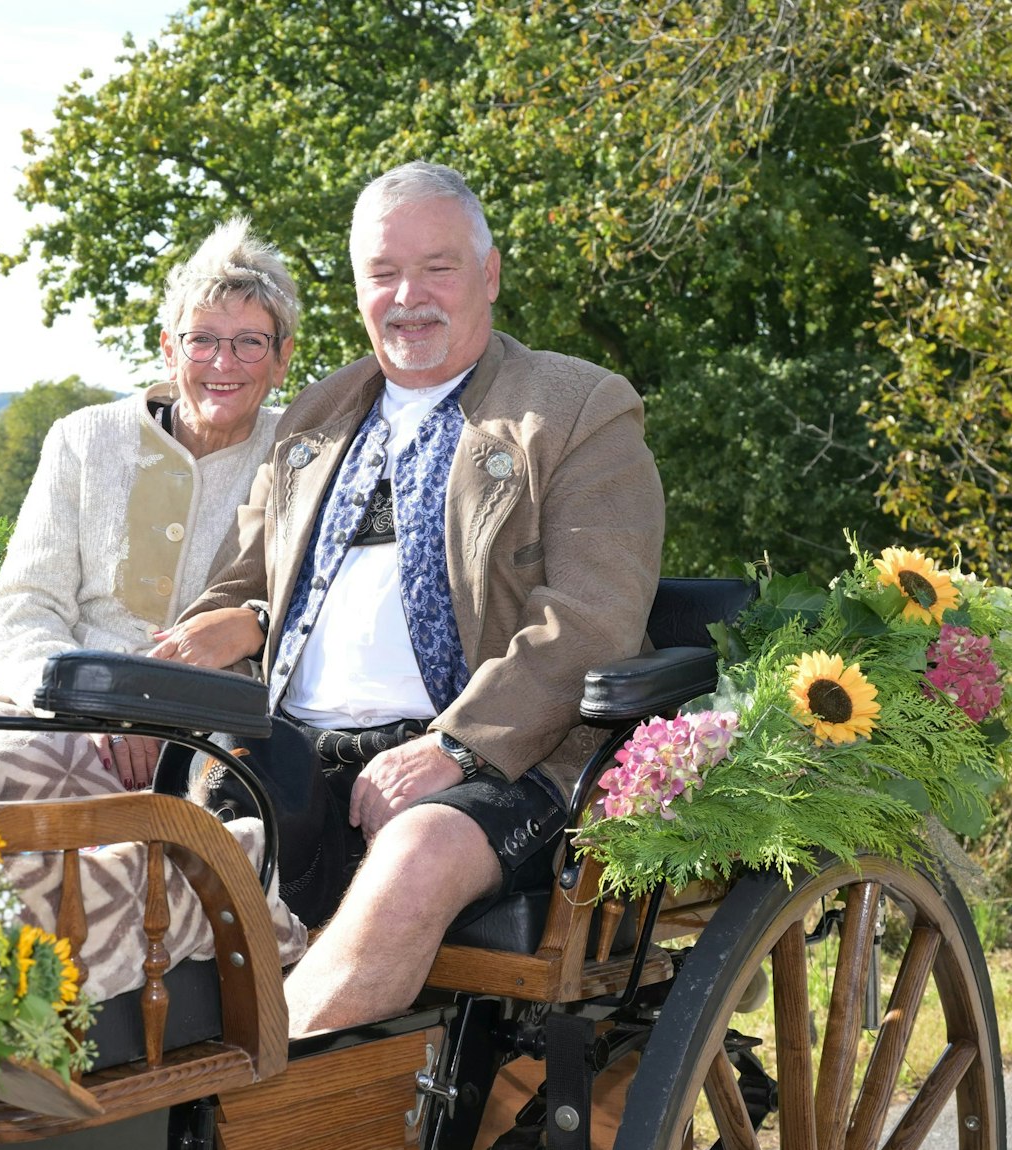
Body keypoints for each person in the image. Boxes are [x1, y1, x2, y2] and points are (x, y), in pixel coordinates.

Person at [165, 162, 664, 1035]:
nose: (409, 297)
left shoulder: (577, 408)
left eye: (437, 268)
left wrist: (457, 747)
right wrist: (172, 667)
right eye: (384, 274)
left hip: (497, 765)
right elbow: (244, 590)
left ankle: (244, 1111)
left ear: (489, 274)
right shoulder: (315, 415)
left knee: (419, 851)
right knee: (147, 831)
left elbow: (591, 622)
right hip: (291, 752)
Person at [0, 215, 296, 788]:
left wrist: (254, 624)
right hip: (71, 720)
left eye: (251, 342)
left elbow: (316, 612)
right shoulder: (84, 438)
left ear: (282, 359)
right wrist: (84, 707)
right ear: (169, 351)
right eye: (201, 340)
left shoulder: (304, 455)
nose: (224, 364)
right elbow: (23, 607)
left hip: (221, 735)